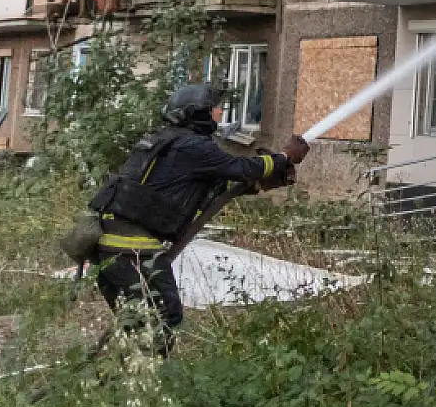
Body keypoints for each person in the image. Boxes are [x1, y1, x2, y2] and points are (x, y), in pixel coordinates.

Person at [90, 83, 309, 354]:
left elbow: (210, 187)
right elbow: (241, 168)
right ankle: (144, 382)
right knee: (164, 318)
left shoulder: (168, 141)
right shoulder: (194, 147)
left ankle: (121, 381)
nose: (219, 112)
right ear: (199, 113)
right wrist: (283, 157)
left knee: (136, 323)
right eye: (215, 108)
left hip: (110, 247)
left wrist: (257, 183)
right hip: (132, 248)